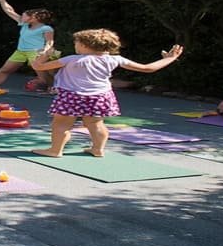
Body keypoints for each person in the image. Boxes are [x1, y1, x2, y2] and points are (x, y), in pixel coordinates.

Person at [29, 28, 183, 158]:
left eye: (76, 43)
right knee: (95, 123)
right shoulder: (115, 59)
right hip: (100, 97)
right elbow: (148, 68)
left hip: (72, 96)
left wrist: (45, 54)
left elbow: (39, 66)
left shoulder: (71, 59)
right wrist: (170, 59)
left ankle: (55, 150)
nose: (75, 45)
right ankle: (97, 149)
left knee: (61, 124)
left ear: (83, 45)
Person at [0, 0, 55, 93]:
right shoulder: (24, 24)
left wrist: (45, 51)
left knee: (42, 73)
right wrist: (3, 1)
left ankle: (52, 88)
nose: (21, 17)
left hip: (36, 52)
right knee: (4, 70)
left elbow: (50, 42)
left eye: (24, 16)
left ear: (34, 18)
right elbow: (10, 11)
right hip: (20, 51)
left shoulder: (46, 28)